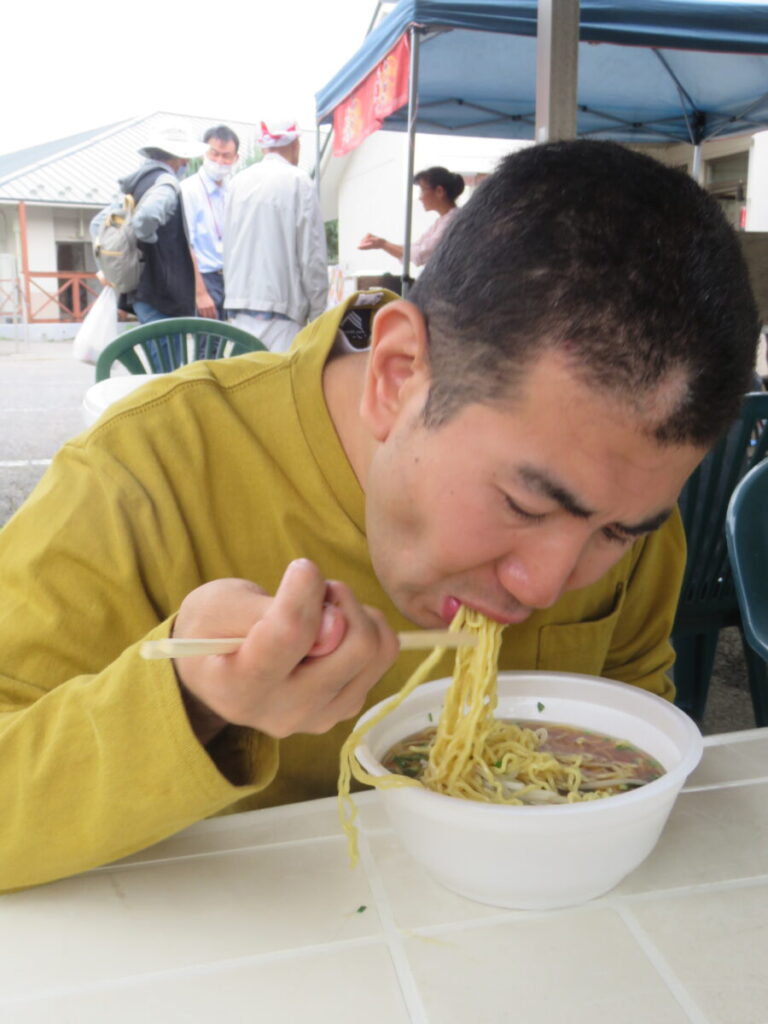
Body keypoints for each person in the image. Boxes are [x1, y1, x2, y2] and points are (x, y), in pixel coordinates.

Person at [0, 140, 759, 893]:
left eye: (616, 533)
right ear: (398, 376)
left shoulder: (624, 510)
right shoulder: (151, 471)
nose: (547, 585)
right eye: (525, 504)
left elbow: (632, 707)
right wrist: (196, 701)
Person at [223, 119, 328, 352]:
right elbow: (313, 257)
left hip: (239, 309)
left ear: (263, 148)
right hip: (284, 313)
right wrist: (320, 315)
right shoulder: (299, 182)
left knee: (245, 382)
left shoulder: (236, 183)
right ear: (296, 144)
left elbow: (227, 248)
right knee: (280, 385)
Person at [114, 124, 206, 325]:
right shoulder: (165, 182)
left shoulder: (137, 183)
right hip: (161, 292)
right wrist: (149, 241)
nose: (187, 162)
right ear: (178, 157)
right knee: (169, 356)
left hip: (140, 288)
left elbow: (98, 223)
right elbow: (145, 219)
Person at [181, 124, 240, 320]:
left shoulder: (233, 190)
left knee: (227, 342)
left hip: (229, 278)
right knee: (208, 344)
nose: (219, 161)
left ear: (236, 158)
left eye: (226, 156)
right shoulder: (189, 190)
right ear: (203, 153)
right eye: (214, 154)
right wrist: (200, 293)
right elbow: (185, 245)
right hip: (204, 278)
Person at [359, 166, 465, 268]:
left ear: (439, 191)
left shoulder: (452, 220)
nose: (420, 197)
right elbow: (415, 247)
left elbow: (421, 254)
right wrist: (382, 243)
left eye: (423, 190)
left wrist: (383, 244)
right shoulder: (443, 220)